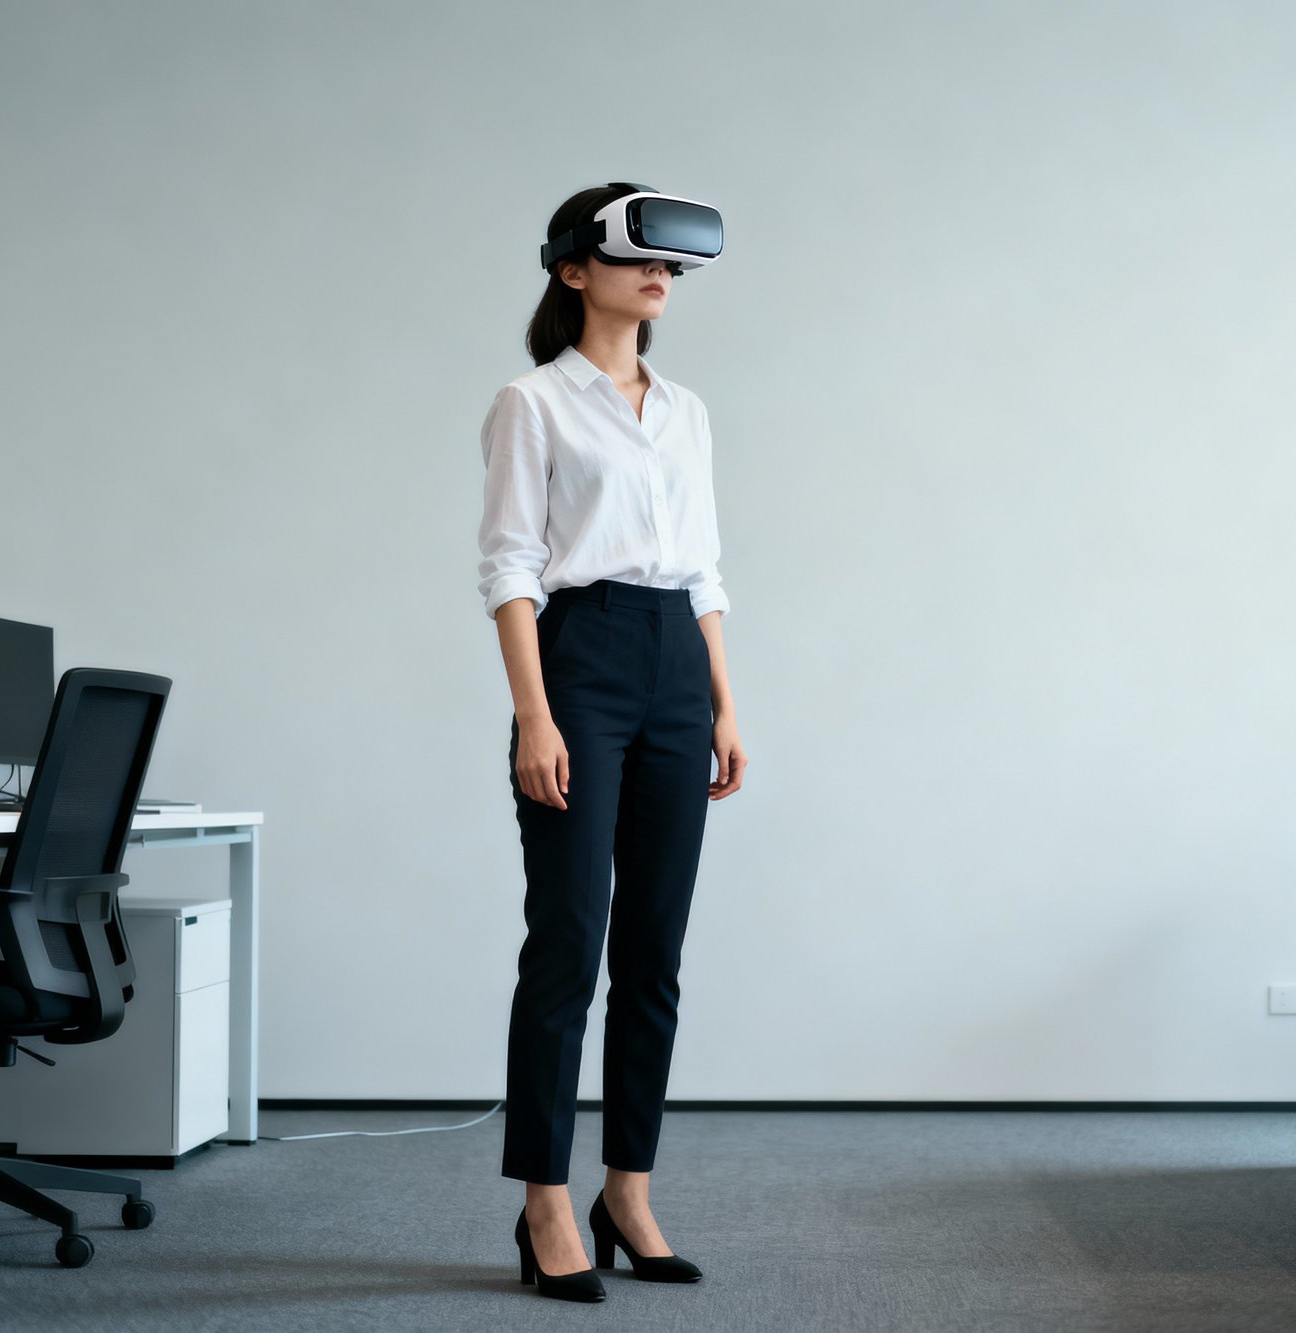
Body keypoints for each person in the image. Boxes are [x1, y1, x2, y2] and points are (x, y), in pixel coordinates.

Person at [477, 182, 747, 1303]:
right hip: (578, 664)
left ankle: (625, 1189)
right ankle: (545, 1200)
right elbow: (506, 567)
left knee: (654, 953)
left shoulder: (686, 410)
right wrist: (535, 713)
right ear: (573, 269)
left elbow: (704, 571)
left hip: (678, 669)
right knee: (568, 941)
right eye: (642, 263)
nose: (660, 281)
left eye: (674, 272)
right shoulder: (531, 403)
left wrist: (725, 704)